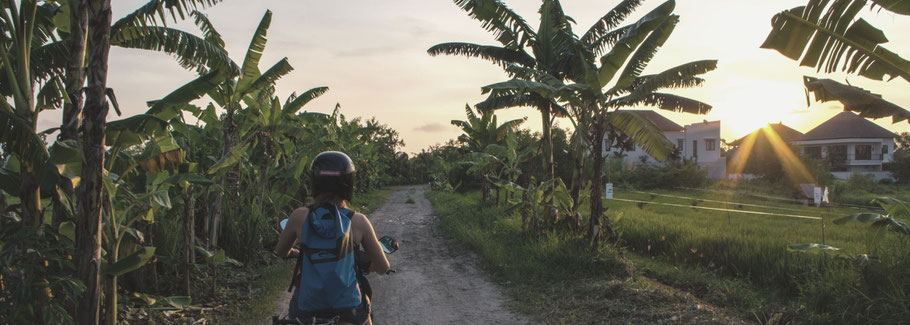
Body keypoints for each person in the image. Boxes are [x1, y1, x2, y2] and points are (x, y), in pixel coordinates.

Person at [275, 151, 390, 325]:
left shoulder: (299, 217)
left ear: (315, 182)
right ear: (349, 184)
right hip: (348, 309)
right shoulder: (358, 221)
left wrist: (295, 252)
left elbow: (281, 252)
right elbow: (383, 267)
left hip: (306, 309)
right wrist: (372, 265)